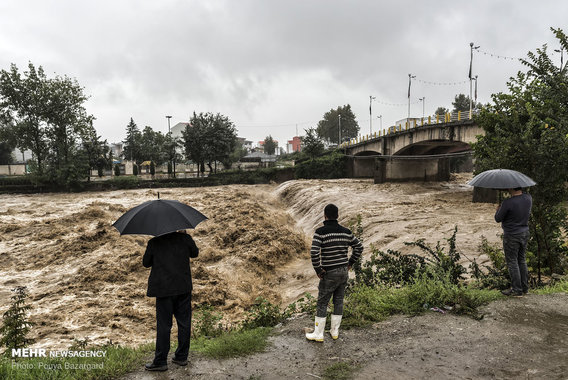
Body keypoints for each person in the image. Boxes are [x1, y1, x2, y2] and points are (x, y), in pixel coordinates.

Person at [142, 230, 199, 372]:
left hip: (163, 290)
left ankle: (161, 361)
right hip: (183, 287)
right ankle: (181, 357)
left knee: (164, 326)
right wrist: (185, 235)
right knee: (184, 323)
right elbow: (195, 253)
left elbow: (146, 263)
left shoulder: (154, 242)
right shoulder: (185, 238)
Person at [306, 204, 363, 342]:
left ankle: (319, 334)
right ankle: (334, 331)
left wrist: (318, 269)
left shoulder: (321, 232)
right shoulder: (346, 232)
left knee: (322, 302)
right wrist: (350, 263)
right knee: (338, 301)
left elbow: (314, 252)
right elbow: (359, 246)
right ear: (337, 216)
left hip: (329, 273)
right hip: (343, 271)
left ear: (325, 215)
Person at [495, 187, 532, 297]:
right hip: (524, 233)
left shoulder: (508, 202)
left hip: (512, 235)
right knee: (522, 259)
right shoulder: (528, 198)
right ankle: (525, 288)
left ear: (511, 187)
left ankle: (517, 290)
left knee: (512, 262)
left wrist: (498, 209)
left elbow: (498, 218)